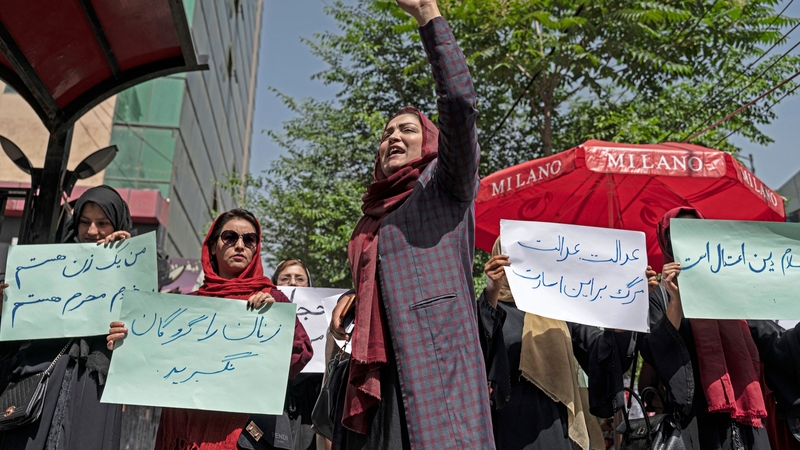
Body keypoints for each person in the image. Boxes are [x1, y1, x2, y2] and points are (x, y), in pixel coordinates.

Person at [328, 1, 493, 448]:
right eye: (386, 134)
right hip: (378, 386)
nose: (393, 138)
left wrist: (429, 18)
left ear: (431, 145)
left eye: (406, 130)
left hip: (436, 373)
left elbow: (459, 106)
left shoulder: (444, 188)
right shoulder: (368, 221)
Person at [107, 208, 313, 450]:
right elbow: (150, 361)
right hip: (183, 433)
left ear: (256, 248)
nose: (240, 245)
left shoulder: (272, 300)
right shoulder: (184, 305)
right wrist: (124, 342)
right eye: (230, 237)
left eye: (249, 239)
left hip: (243, 436)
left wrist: (275, 323)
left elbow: (301, 355)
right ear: (213, 246)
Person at [636, 206, 800, 450]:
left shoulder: (731, 294)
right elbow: (655, 350)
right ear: (667, 243)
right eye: (681, 232)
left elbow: (776, 345)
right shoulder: (658, 294)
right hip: (693, 427)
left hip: (747, 424)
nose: (691, 239)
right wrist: (677, 300)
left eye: (698, 231)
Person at [478, 237, 648, 450]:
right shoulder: (489, 307)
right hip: (511, 428)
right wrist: (493, 290)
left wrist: (623, 314)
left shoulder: (559, 306)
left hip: (560, 425)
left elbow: (599, 351)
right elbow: (477, 357)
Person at [0, 185, 133, 450]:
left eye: (103, 222)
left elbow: (145, 338)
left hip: (93, 391)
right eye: (84, 222)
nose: (92, 231)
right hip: (40, 382)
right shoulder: (46, 266)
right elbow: (10, 345)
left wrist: (122, 261)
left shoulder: (132, 268)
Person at [271, 259, 320, 450]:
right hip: (275, 397)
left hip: (310, 400)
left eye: (300, 278)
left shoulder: (324, 313)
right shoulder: (264, 304)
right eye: (286, 278)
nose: (293, 282)